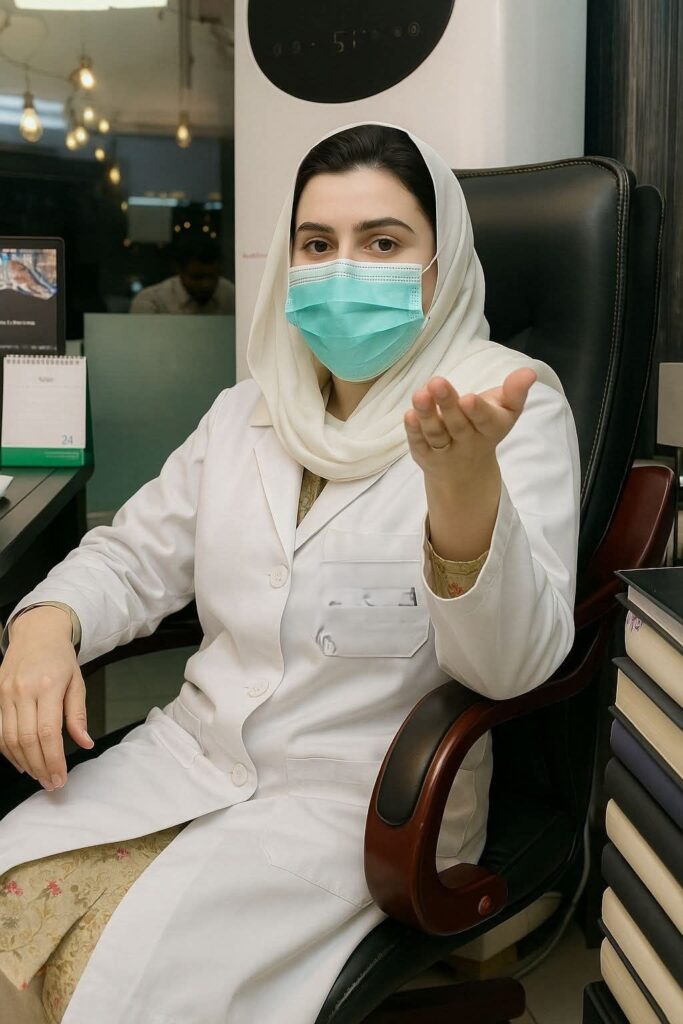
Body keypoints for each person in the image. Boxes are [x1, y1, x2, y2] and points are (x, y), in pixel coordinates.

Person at [0, 123, 580, 1024]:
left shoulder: (504, 405)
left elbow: (510, 670)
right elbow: (133, 554)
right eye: (317, 244)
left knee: (130, 992)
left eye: (381, 243)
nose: (342, 270)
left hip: (367, 804)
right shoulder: (249, 411)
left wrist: (465, 497)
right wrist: (47, 624)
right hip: (189, 759)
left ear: (441, 265)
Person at [129, 236, 235, 315]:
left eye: (213, 277)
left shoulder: (231, 295)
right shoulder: (152, 302)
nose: (206, 284)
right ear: (179, 270)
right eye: (197, 277)